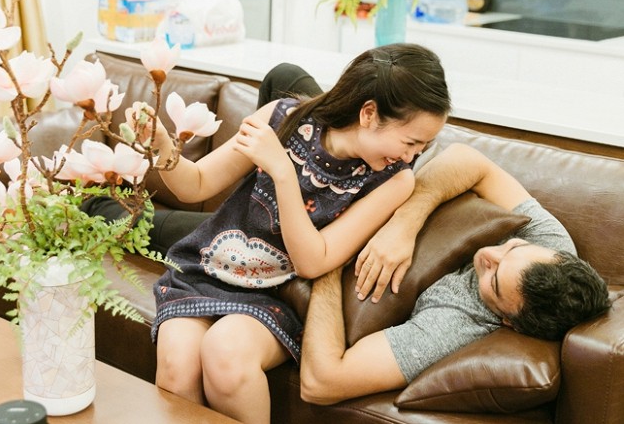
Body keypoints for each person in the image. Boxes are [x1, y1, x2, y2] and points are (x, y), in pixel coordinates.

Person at [106, 43, 450, 424]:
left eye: (422, 147)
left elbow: (314, 261)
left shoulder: (394, 181)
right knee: (177, 366)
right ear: (369, 114)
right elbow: (197, 183)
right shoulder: (283, 116)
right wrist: (162, 145)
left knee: (226, 355)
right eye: (410, 142)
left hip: (280, 294)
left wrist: (283, 172)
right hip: (206, 272)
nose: (411, 156)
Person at [299, 142, 611, 405]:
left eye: (494, 279)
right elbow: (468, 160)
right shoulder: (551, 243)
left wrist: (331, 259)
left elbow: (322, 384)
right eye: (513, 247)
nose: (488, 254)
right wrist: (405, 223)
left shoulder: (453, 328)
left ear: (509, 321)